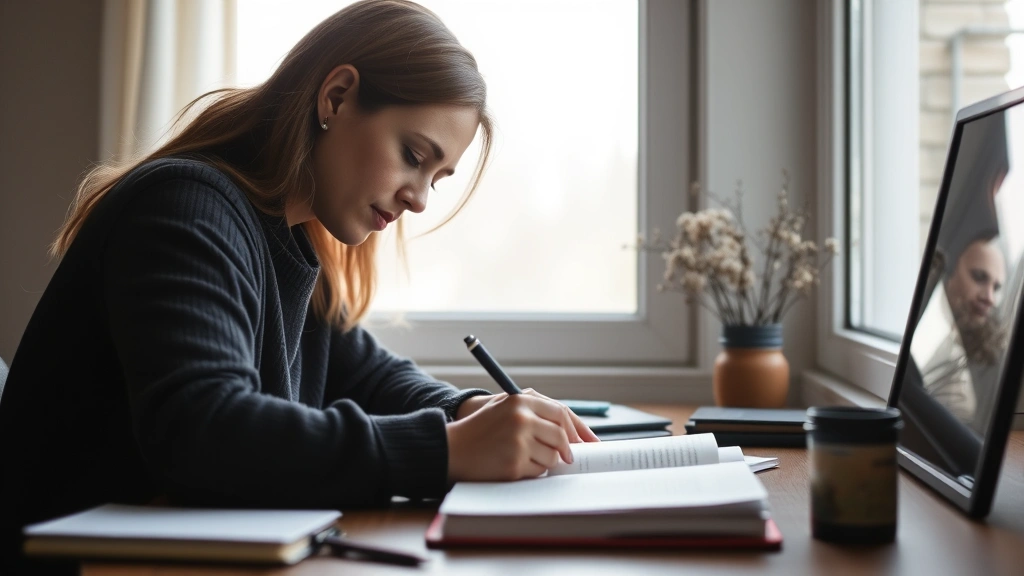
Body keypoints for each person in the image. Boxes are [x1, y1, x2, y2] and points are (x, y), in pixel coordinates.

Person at [0, 1, 598, 571]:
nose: (418, 199)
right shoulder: (186, 207)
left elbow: (368, 375)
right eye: (413, 155)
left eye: (436, 178)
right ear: (336, 97)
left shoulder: (288, 241)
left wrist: (470, 409)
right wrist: (447, 450)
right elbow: (202, 428)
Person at [919, 237, 1007, 426]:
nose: (989, 297)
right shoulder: (926, 338)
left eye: (996, 287)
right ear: (949, 275)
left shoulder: (985, 357)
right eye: (979, 277)